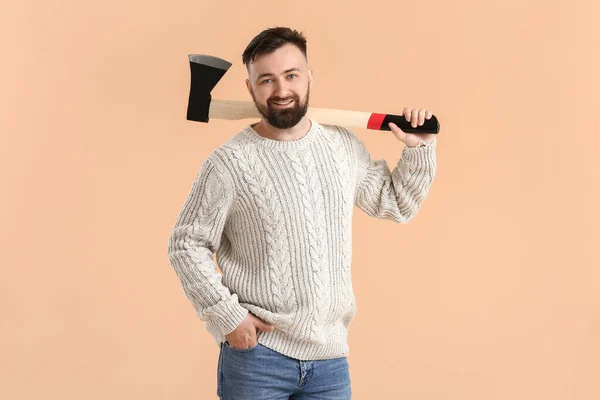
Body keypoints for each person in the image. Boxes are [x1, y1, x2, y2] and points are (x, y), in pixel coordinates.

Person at [167, 26, 437, 400]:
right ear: (250, 89)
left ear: (309, 77)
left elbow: (396, 204)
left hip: (330, 363)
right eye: (267, 80)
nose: (281, 91)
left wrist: (419, 149)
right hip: (258, 361)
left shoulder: (342, 147)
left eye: (291, 75)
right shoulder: (229, 163)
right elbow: (186, 244)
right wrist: (227, 317)